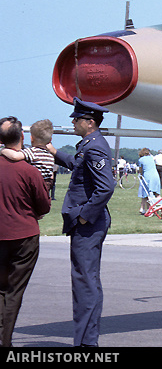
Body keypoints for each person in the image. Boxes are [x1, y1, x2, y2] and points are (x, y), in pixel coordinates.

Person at [48, 98, 115, 347]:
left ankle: (86, 343)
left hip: (88, 223)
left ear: (89, 122)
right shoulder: (89, 144)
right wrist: (54, 152)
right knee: (88, 279)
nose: (73, 122)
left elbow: (106, 186)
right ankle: (87, 339)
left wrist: (85, 214)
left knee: (84, 280)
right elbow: (78, 166)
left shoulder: (95, 146)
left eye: (76, 119)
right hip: (89, 222)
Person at [0, 117, 50, 347]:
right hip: (24, 235)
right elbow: (44, 206)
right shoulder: (30, 171)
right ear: (22, 138)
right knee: (14, 291)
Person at [136, 148, 160, 215]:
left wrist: (140, 175)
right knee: (156, 193)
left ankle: (146, 208)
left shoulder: (141, 160)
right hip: (156, 176)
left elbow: (140, 170)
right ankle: (160, 206)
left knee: (146, 193)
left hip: (147, 176)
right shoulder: (152, 158)